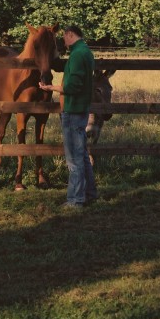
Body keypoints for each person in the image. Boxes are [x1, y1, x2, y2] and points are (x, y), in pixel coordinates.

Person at [40, 25, 97, 208]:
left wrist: (51, 88)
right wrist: (53, 56)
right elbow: (66, 67)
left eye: (64, 37)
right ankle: (90, 193)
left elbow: (73, 86)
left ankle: (75, 199)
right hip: (81, 108)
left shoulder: (78, 55)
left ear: (70, 34)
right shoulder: (84, 52)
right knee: (81, 155)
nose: (63, 41)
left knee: (74, 158)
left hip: (73, 109)